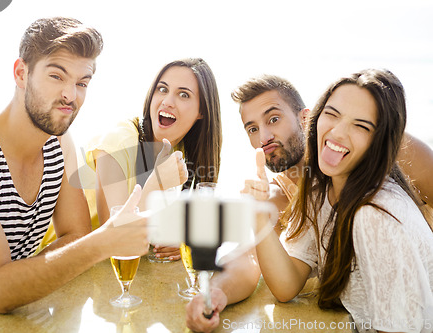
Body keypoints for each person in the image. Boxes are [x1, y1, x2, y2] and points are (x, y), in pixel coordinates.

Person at [0, 17, 148, 332]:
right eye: (56, 76)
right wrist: (104, 242)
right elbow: (0, 292)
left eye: (81, 83)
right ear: (21, 73)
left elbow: (74, 236)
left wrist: (8, 278)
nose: (70, 96)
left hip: (9, 321)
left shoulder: (59, 144)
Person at [186, 73, 433, 332]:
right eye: (253, 129)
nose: (264, 138)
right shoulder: (301, 195)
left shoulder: (397, 153)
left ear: (306, 118)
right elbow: (252, 258)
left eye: (273, 119)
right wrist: (214, 293)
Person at [36, 58, 223, 260]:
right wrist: (156, 183)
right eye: (162, 89)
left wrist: (179, 239)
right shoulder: (119, 142)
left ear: (202, 111)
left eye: (183, 95)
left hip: (96, 266)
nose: (167, 101)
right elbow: (115, 237)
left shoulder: (177, 148)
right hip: (54, 258)